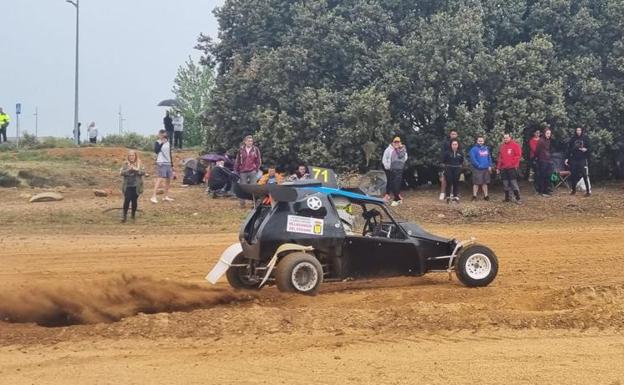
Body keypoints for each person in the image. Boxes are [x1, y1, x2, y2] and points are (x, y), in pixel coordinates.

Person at [234, 135, 262, 208]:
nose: (250, 142)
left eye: (251, 141)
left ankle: (255, 203)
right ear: (245, 142)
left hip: (252, 171)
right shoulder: (241, 150)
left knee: (254, 188)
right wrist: (236, 170)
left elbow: (258, 161)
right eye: (249, 141)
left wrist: (256, 169)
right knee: (242, 188)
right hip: (243, 171)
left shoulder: (255, 149)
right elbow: (237, 161)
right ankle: (242, 204)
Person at [496, 133, 523, 204]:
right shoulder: (502, 146)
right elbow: (500, 158)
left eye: (507, 138)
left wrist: (511, 163)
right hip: (504, 168)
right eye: (504, 138)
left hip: (512, 168)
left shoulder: (515, 145)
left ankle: (518, 198)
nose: (505, 139)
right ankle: (507, 198)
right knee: (505, 183)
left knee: (513, 183)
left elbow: (518, 156)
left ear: (510, 138)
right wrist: (498, 167)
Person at [120, 150, 145, 222]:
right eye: (130, 155)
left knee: (134, 201)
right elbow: (121, 173)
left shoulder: (139, 163)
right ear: (128, 156)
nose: (131, 157)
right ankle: (124, 216)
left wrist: (136, 170)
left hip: (136, 186)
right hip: (127, 185)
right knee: (127, 200)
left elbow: (143, 172)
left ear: (135, 156)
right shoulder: (125, 163)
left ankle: (133, 215)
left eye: (133, 155)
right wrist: (129, 169)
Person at [151, 129, 175, 203]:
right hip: (161, 162)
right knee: (160, 178)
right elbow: (156, 151)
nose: (164, 136)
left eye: (165, 135)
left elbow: (169, 153)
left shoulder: (168, 143)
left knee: (168, 179)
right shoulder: (157, 142)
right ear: (159, 135)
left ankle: (165, 196)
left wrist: (172, 164)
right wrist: (162, 143)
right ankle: (153, 196)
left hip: (168, 162)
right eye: (162, 135)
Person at [382, 136, 408, 206]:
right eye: (395, 142)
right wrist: (387, 166)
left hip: (398, 169)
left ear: (400, 142)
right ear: (392, 142)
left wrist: (400, 163)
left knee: (396, 184)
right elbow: (384, 158)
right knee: (392, 183)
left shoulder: (402, 149)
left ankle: (396, 199)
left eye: (398, 142)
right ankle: (394, 197)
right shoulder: (388, 149)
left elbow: (404, 157)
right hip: (390, 169)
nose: (396, 143)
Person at [565, 127, 591, 196]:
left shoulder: (585, 138)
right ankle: (573, 190)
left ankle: (588, 191)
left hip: (582, 159)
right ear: (575, 131)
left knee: (584, 175)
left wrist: (586, 149)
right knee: (573, 174)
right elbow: (569, 149)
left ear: (581, 131)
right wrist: (567, 158)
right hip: (574, 159)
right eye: (577, 130)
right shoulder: (573, 139)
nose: (578, 131)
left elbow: (589, 148)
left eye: (579, 130)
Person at [469, 136, 492, 201]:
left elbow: (489, 157)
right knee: (476, 183)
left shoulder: (486, 148)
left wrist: (489, 165)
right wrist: (478, 165)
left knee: (485, 183)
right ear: (477, 141)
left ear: (483, 141)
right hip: (477, 168)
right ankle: (474, 196)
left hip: (485, 168)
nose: (480, 142)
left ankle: (486, 196)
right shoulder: (473, 149)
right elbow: (473, 159)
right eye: (479, 141)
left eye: (481, 141)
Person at [439, 130, 459, 200]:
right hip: (447, 164)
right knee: (444, 178)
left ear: (457, 135)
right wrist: (442, 162)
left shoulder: (458, 143)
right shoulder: (445, 142)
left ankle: (452, 193)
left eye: (455, 134)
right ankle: (442, 193)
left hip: (455, 165)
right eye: (452, 134)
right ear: (450, 135)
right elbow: (442, 153)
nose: (453, 135)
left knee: (453, 180)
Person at [534, 127, 554, 197]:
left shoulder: (549, 140)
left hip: (548, 160)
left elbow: (550, 150)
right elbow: (537, 151)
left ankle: (547, 190)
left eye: (549, 133)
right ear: (544, 133)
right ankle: (542, 191)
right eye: (547, 133)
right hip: (542, 160)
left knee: (548, 176)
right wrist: (538, 158)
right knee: (542, 176)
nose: (549, 135)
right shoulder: (541, 141)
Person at [443, 139, 463, 203]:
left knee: (456, 182)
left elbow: (461, 161)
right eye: (453, 144)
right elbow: (444, 160)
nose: (454, 146)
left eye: (456, 144)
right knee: (449, 181)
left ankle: (455, 196)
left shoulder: (460, 153)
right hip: (449, 168)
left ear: (458, 145)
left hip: (457, 168)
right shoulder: (447, 152)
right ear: (451, 145)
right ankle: (448, 196)